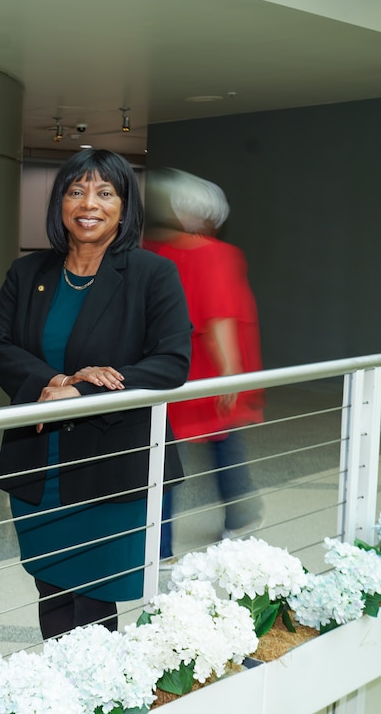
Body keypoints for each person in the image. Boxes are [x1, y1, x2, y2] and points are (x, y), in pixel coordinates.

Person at [0, 149, 191, 640]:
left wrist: (79, 390)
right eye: (76, 191)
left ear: (124, 205)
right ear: (60, 203)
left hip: (110, 457)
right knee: (50, 587)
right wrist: (51, 383)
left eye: (104, 192)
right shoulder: (27, 273)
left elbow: (172, 361)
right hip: (39, 459)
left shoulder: (150, 274)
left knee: (96, 593)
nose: (88, 204)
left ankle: (99, 697)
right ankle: (58, 689)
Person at [143, 168, 265, 557]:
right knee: (224, 443)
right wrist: (230, 376)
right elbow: (219, 320)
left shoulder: (156, 251)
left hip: (168, 372)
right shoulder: (216, 255)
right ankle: (239, 517)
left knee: (163, 460)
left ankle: (158, 548)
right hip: (207, 375)